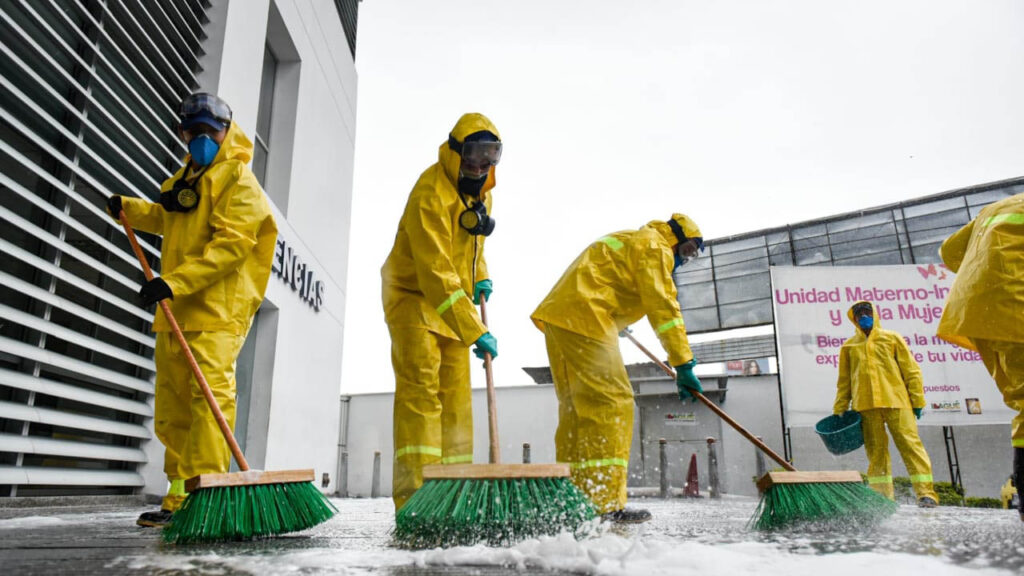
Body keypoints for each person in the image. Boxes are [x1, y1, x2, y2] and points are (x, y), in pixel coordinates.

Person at [106, 93, 278, 526]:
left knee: (207, 405)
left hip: (217, 311)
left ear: (226, 131)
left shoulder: (238, 181)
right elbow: (169, 219)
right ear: (183, 132)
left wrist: (174, 283)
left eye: (211, 131)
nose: (202, 138)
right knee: (174, 409)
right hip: (176, 311)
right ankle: (180, 499)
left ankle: (208, 502)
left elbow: (231, 247)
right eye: (194, 130)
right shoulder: (182, 183)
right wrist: (129, 209)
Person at [531, 214, 704, 523]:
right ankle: (606, 502)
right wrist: (682, 362)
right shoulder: (656, 246)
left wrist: (618, 318)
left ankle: (573, 499)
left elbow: (606, 279)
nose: (685, 258)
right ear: (675, 238)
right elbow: (663, 306)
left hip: (562, 319)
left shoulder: (633, 239)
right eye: (688, 250)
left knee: (577, 409)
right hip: (587, 318)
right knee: (613, 402)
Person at [382, 113, 502, 510]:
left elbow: (471, 249)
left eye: (490, 157)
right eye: (474, 155)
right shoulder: (429, 193)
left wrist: (480, 277)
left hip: (454, 305)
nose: (481, 165)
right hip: (414, 298)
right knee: (421, 397)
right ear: (455, 153)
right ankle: (416, 502)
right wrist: (474, 328)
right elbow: (434, 270)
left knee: (457, 405)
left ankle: (455, 500)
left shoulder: (480, 196)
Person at [936, 192, 1024, 520]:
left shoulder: (997, 207)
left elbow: (949, 252)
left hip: (977, 308)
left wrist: (989, 265)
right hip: (1016, 304)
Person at [832, 301, 938, 507]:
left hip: (896, 402)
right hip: (866, 407)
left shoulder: (891, 338)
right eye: (859, 314)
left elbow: (911, 371)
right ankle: (882, 498)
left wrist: (917, 400)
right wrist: (840, 409)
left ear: (875, 314)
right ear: (854, 319)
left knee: (911, 447)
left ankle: (926, 494)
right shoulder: (849, 347)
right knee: (876, 454)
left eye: (867, 312)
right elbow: (844, 382)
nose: (864, 317)